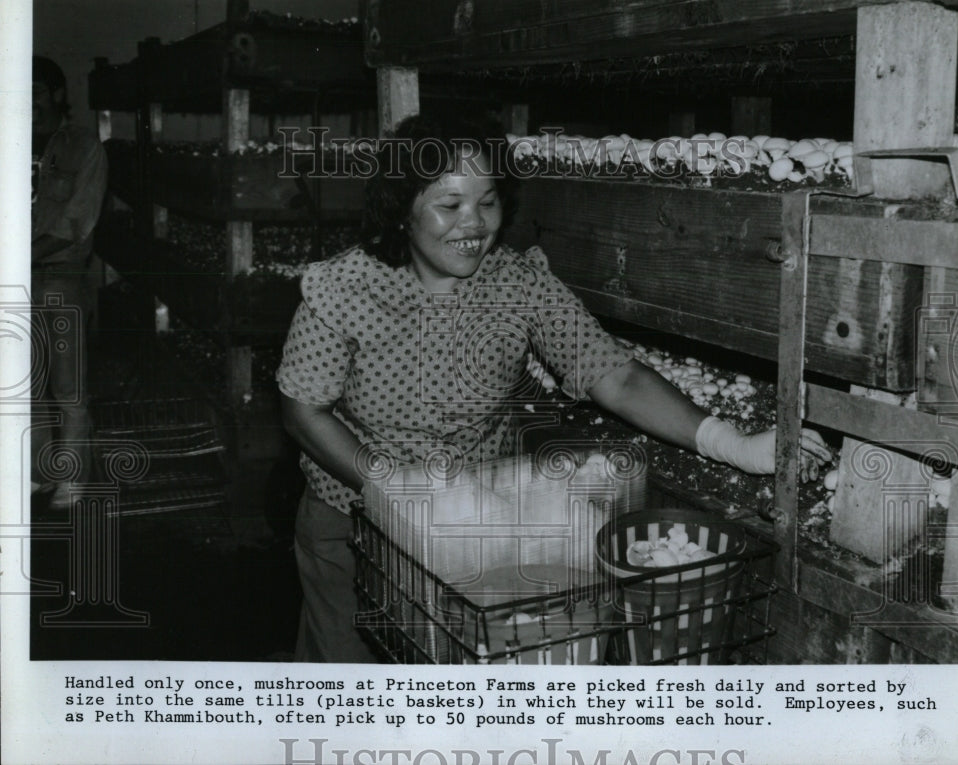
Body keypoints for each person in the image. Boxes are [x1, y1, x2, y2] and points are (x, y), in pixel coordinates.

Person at [277, 112, 831, 663]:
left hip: (478, 523)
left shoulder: (516, 282)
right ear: (403, 211)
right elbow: (304, 411)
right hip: (356, 524)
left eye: (487, 202)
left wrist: (729, 442)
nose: (474, 224)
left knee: (468, 682)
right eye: (450, 205)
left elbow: (613, 374)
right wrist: (397, 488)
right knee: (358, 692)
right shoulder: (346, 289)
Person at [31, 56, 108, 509]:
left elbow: (75, 222)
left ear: (58, 94)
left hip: (60, 279)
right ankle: (41, 474)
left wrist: (17, 257)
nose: (28, 105)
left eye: (37, 93)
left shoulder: (84, 148)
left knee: (68, 387)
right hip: (17, 280)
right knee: (26, 383)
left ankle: (73, 477)